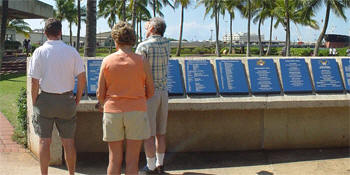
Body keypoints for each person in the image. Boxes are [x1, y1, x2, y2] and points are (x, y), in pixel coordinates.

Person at [28, 18, 86, 175]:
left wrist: (35, 102)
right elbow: (82, 79)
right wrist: (77, 99)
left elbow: (34, 82)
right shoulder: (72, 51)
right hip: (67, 101)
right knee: (68, 142)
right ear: (60, 32)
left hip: (45, 100)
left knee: (44, 141)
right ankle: (71, 173)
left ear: (45, 33)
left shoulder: (39, 52)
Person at [97, 21, 154, 175]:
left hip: (112, 112)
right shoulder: (142, 61)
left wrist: (104, 103)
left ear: (116, 40)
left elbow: (100, 94)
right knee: (132, 161)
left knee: (114, 159)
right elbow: (151, 90)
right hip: (136, 111)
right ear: (132, 39)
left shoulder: (107, 61)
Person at [136, 17, 170, 174]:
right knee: (161, 132)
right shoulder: (167, 44)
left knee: (148, 133)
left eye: (147, 25)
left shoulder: (143, 46)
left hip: (149, 93)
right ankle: (160, 164)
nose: (145, 27)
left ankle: (150, 166)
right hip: (163, 92)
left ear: (152, 29)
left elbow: (137, 69)